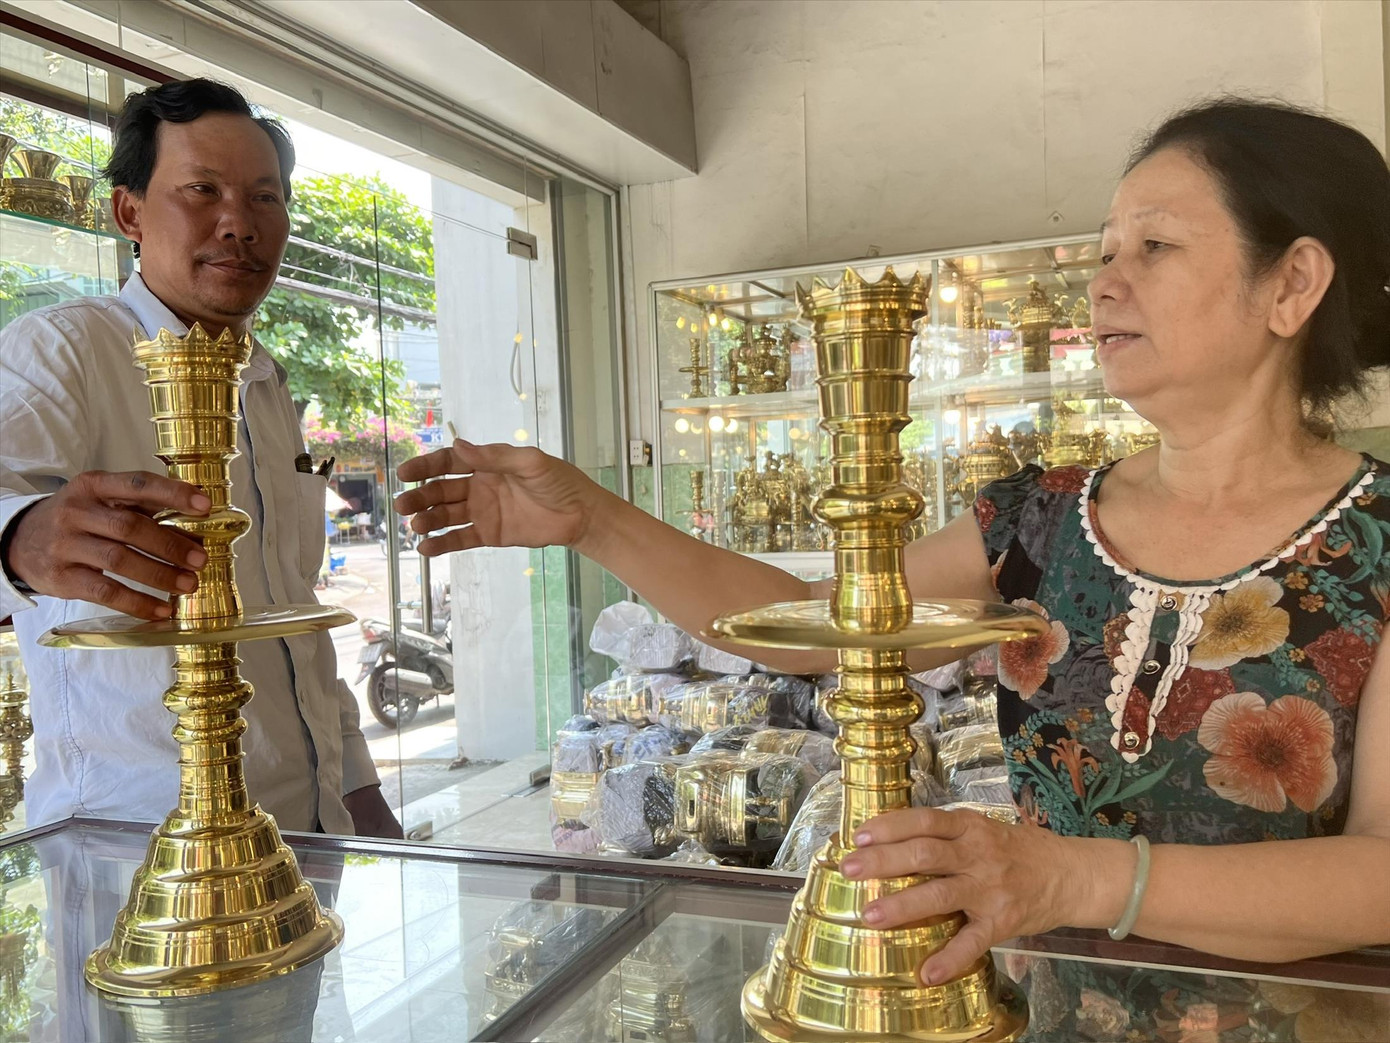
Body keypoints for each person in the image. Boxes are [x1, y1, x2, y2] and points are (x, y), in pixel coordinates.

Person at [395, 97, 1390, 988]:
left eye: (1154, 247)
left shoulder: (1375, 543)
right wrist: (593, 518)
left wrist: (1069, 877)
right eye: (1100, 251)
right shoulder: (1039, 521)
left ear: (1291, 283)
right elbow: (810, 632)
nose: (1103, 285)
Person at [0, 79, 402, 839]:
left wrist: (358, 788)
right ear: (130, 212)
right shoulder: (65, 350)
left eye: (264, 197)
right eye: (202, 190)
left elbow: (294, 612)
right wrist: (20, 540)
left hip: (303, 835)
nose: (240, 225)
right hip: (136, 858)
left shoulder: (265, 378)